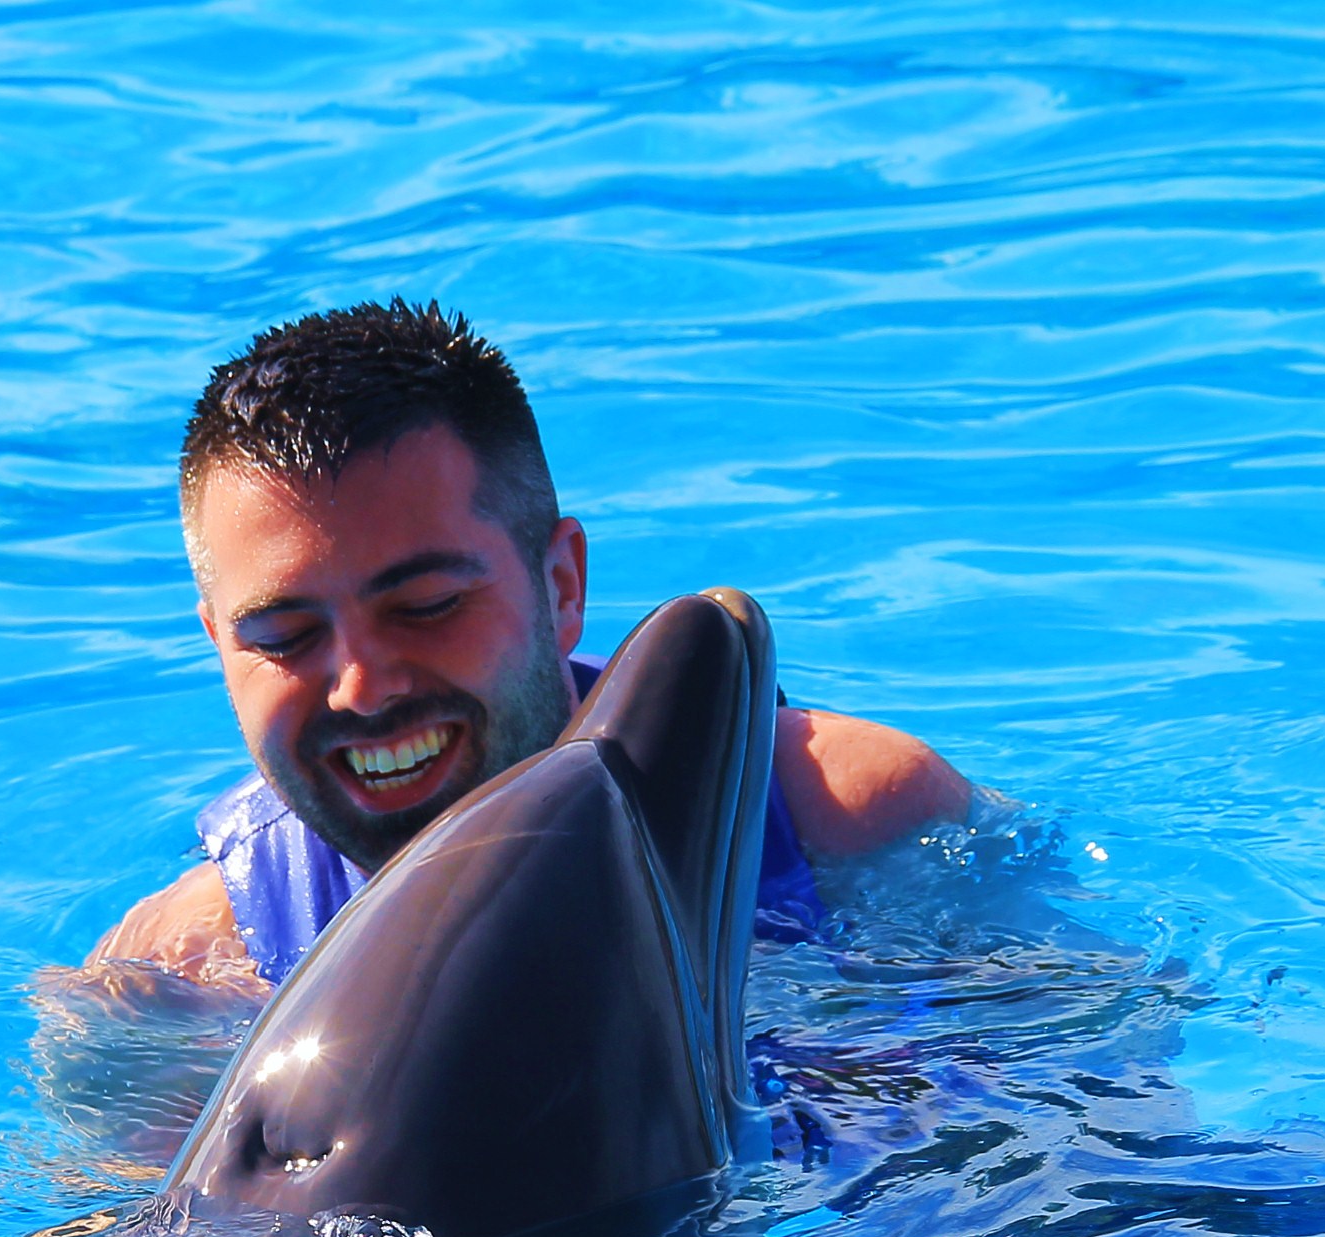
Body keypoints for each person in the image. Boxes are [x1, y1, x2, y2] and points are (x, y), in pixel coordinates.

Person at [89, 299, 971, 991]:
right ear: (219, 646)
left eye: (427, 606)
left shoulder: (843, 819)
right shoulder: (186, 973)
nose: (362, 686)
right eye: (284, 638)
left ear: (562, 586)